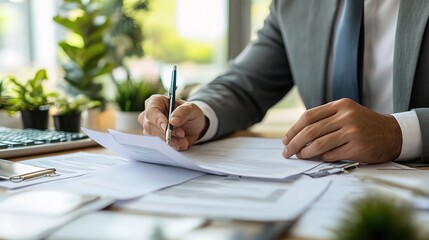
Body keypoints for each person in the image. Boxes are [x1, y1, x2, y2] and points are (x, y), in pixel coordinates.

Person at [139, 0, 429, 164]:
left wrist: (397, 133)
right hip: (323, 194)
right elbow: (243, 84)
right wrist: (197, 114)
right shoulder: (294, 5)